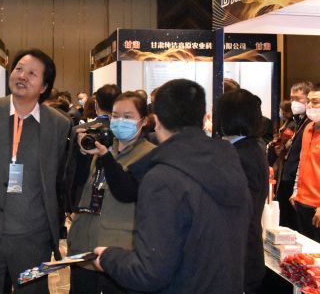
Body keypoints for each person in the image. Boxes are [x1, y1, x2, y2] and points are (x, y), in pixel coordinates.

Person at [93, 79, 250, 294]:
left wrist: (109, 257)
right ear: (203, 118)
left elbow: (149, 271)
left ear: (156, 121)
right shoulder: (229, 164)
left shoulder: (162, 178)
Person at [0, 48, 72, 294]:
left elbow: (58, 177)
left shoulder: (59, 124)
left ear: (44, 86)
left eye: (32, 73)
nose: (22, 76)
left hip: (33, 240)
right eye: (19, 69)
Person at [67, 91, 155, 294]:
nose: (120, 121)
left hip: (119, 253)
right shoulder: (102, 147)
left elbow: (127, 191)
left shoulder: (150, 154)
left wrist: (105, 157)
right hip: (84, 249)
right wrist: (81, 153)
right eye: (115, 116)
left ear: (143, 121)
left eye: (128, 116)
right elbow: (77, 186)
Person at [217, 89, 268, 293]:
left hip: (239, 258)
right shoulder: (248, 148)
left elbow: (239, 211)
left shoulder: (241, 155)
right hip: (242, 255)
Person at [66, 85, 121, 213]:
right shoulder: (127, 131)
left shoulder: (79, 131)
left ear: (96, 104)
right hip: (117, 194)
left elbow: (70, 170)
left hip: (84, 194)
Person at [274, 81, 313, 230]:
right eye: (292, 98)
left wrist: (298, 188)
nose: (294, 102)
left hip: (301, 186)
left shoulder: (310, 123)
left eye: (298, 98)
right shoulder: (297, 121)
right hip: (287, 180)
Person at [290, 85, 320, 241]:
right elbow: (302, 162)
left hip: (317, 206)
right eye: (308, 101)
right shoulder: (308, 127)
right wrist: (296, 190)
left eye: (315, 102)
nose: (309, 106)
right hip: (302, 201)